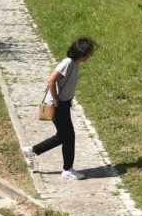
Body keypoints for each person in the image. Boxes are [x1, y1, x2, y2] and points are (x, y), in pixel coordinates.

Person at [22, 38, 97, 180]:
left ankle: (32, 151)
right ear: (81, 53)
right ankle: (67, 169)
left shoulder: (74, 64)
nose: (89, 57)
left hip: (64, 104)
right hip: (58, 105)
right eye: (88, 54)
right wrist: (56, 99)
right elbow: (51, 80)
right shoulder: (67, 63)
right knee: (68, 136)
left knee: (63, 136)